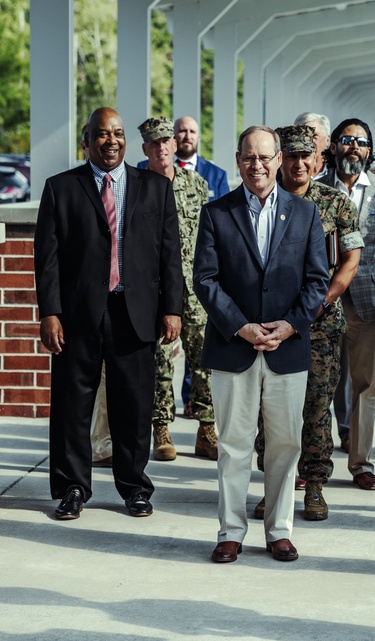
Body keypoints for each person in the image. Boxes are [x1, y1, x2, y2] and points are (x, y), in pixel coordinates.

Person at [34, 107, 183, 520]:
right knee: (71, 405)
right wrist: (50, 313)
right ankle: (72, 488)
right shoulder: (61, 188)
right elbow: (47, 258)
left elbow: (169, 253)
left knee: (132, 405)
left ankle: (134, 487)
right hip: (77, 314)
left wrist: (173, 308)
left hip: (135, 312)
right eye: (102, 134)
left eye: (117, 133)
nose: (111, 141)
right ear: (86, 142)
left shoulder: (155, 188)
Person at [194, 125, 328, 563]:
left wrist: (288, 326)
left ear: (278, 160)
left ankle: (279, 531)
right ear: (238, 160)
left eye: (265, 157)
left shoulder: (305, 213)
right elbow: (206, 280)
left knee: (286, 443)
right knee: (233, 443)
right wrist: (242, 326)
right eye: (249, 157)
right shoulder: (217, 213)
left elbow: (317, 282)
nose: (258, 165)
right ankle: (230, 531)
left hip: (287, 348)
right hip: (234, 348)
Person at [253, 124, 363, 522]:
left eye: (307, 156)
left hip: (319, 327)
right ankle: (274, 488)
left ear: (319, 160)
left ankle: (314, 486)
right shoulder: (263, 200)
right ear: (280, 159)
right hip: (272, 326)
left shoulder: (335, 204)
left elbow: (351, 258)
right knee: (272, 413)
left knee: (316, 409)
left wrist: (325, 299)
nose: (300, 163)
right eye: (292, 156)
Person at [319, 118, 375, 491]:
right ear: (334, 147)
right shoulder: (315, 188)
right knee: (319, 383)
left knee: (366, 385)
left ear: (369, 151)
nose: (353, 146)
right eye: (346, 140)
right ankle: (315, 462)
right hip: (321, 302)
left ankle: (361, 462)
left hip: (370, 303)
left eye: (361, 142)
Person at [137, 116, 217, 461]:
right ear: (146, 149)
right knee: (159, 359)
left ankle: (206, 428)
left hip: (194, 285)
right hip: (153, 289)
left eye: (166, 140)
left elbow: (209, 236)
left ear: (174, 144)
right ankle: (161, 427)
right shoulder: (136, 187)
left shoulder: (196, 184)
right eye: (154, 143)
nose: (161, 147)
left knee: (204, 357)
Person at [139, 115, 229, 202]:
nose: (188, 137)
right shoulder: (143, 167)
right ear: (174, 138)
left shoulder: (217, 175)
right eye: (182, 131)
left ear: (198, 138)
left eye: (192, 132)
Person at [294, 112, 332, 179]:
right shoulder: (288, 172)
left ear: (327, 140)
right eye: (304, 136)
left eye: (314, 136)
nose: (308, 141)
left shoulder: (336, 173)